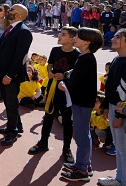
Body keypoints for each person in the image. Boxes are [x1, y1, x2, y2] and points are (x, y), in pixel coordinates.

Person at [28, 26, 79, 163]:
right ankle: (43, 142)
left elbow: (76, 70)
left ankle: (66, 149)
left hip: (66, 91)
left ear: (72, 39)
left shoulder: (77, 54)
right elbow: (50, 64)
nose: (59, 36)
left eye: (63, 34)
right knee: (48, 116)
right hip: (52, 89)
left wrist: (65, 75)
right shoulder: (55, 50)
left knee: (68, 121)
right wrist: (50, 72)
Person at [59, 27, 103, 181]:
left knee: (81, 135)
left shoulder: (86, 59)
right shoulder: (84, 57)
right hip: (81, 101)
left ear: (88, 42)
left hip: (82, 102)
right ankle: (84, 164)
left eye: (79, 36)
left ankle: (82, 169)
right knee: (83, 134)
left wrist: (65, 77)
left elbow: (73, 80)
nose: (74, 38)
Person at [0, 4, 33, 146]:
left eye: (11, 10)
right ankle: (17, 125)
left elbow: (20, 57)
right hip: (3, 72)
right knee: (8, 101)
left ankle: (12, 132)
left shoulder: (23, 31)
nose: (8, 11)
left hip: (11, 75)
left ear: (18, 15)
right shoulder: (12, 28)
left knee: (11, 104)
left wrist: (10, 75)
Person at [98, 29, 126, 186]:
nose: (113, 39)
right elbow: (110, 86)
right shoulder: (116, 59)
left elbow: (124, 93)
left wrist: (120, 116)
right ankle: (119, 178)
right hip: (113, 107)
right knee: (120, 146)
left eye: (118, 37)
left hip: (121, 111)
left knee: (123, 149)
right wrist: (106, 105)